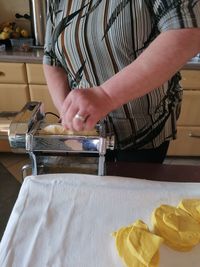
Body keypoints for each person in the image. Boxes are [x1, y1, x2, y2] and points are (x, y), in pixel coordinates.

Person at [43, 0, 200, 163]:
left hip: (143, 130)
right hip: (88, 134)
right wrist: (69, 115)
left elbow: (188, 31)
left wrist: (106, 95)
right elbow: (51, 59)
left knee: (137, 185)